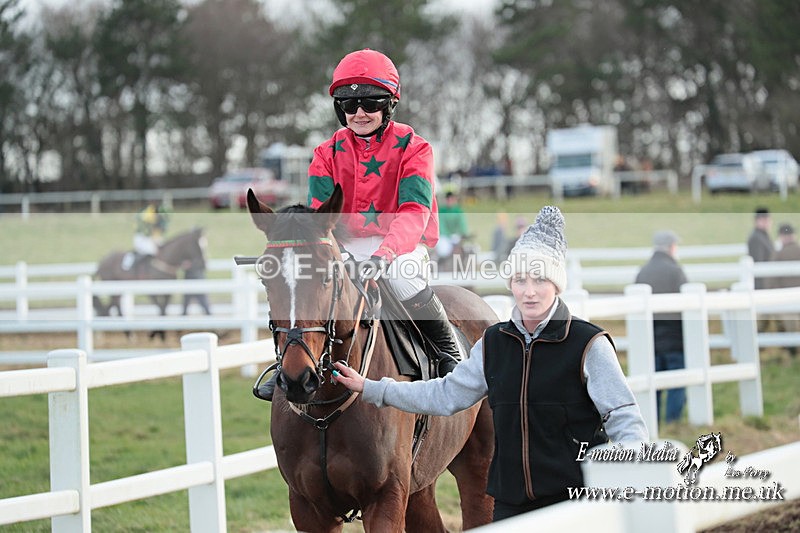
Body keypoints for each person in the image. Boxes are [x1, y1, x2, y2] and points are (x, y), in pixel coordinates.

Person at [332, 206, 648, 521]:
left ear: (556, 284)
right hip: (510, 504)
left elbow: (623, 417)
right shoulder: (494, 343)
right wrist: (373, 388)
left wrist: (627, 478)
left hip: (574, 503)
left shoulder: (587, 344)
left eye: (540, 280)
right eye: (520, 280)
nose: (530, 291)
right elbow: (445, 395)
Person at [257, 49, 458, 400]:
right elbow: (321, 220)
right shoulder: (325, 153)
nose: (360, 113)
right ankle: (290, 363)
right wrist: (339, 254)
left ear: (389, 104)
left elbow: (414, 211)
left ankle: (449, 355)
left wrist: (384, 255)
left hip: (402, 243)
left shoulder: (415, 148)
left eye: (370, 102)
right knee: (304, 280)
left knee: (404, 277)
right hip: (343, 243)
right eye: (350, 105)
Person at [635, 230, 688, 423]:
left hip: (651, 337)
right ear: (671, 247)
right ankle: (673, 422)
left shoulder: (643, 272)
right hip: (674, 336)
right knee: (677, 381)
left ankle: (653, 421)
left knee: (653, 383)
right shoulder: (676, 271)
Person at [769, 223, 800, 356]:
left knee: (788, 327)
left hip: (785, 299)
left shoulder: (778, 254)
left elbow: (771, 279)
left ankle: (790, 352)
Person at [122, 202, 169, 272]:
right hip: (142, 238)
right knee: (151, 250)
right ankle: (131, 262)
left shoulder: (158, 217)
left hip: (150, 237)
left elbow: (158, 233)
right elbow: (147, 231)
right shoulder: (147, 216)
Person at [434, 191, 470, 263]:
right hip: (444, 236)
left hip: (456, 236)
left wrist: (463, 233)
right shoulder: (441, 211)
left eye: (452, 199)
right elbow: (441, 226)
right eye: (448, 199)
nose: (450, 201)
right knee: (443, 250)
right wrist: (448, 235)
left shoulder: (458, 211)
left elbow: (462, 225)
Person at [747, 207, 774, 290]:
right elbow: (758, 262)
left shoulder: (763, 236)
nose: (768, 223)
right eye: (765, 220)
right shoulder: (756, 238)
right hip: (762, 283)